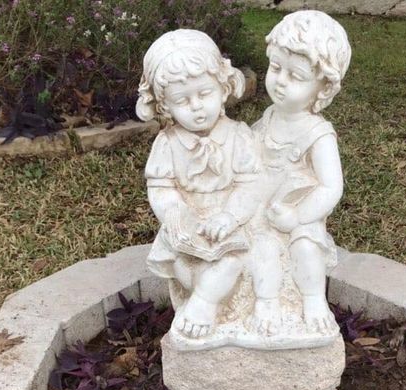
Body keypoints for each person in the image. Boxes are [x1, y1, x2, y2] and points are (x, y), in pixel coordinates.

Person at [136, 29, 261, 339]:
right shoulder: (167, 143)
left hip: (230, 221)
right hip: (188, 225)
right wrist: (176, 215)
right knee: (183, 262)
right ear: (165, 107)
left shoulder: (239, 136)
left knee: (233, 262)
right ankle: (203, 295)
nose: (196, 106)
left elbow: (251, 185)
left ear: (223, 89)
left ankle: (205, 303)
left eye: (204, 94)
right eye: (182, 100)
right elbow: (161, 188)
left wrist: (229, 217)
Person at [250, 10, 351, 335]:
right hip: (262, 211)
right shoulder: (268, 117)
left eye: (296, 76)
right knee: (260, 248)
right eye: (276, 68)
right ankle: (265, 301)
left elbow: (330, 187)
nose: (280, 81)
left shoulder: (317, 135)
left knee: (305, 249)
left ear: (322, 89)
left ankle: (312, 300)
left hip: (299, 216)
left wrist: (297, 216)